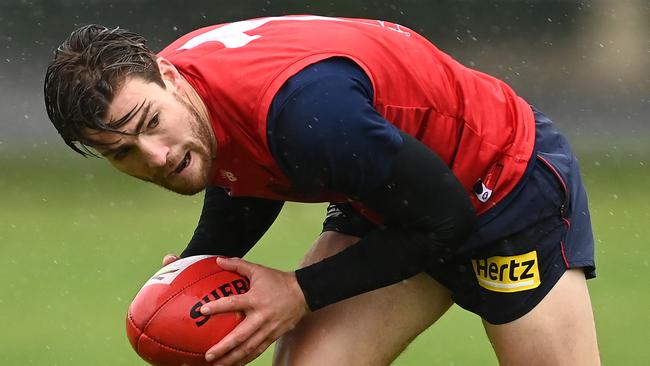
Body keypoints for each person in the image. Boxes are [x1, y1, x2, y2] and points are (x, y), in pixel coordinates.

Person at [44, 15, 600, 365]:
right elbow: (249, 170)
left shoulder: (308, 115)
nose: (157, 156)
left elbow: (446, 220)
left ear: (167, 74)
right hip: (383, 190)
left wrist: (299, 292)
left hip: (501, 182)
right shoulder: (193, 102)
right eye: (122, 153)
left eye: (149, 124)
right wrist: (201, 264)